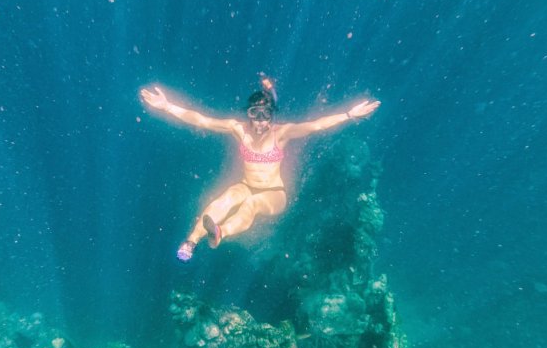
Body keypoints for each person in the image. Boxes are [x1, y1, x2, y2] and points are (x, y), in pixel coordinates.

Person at [140, 75, 380, 262]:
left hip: (274, 193)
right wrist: (166, 106)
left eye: (266, 115)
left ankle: (221, 232)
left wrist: (349, 115)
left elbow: (316, 125)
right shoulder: (238, 129)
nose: (260, 122)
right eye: (255, 114)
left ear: (272, 116)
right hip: (246, 185)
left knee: (251, 205)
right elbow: (201, 119)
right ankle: (191, 242)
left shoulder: (281, 133)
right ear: (248, 114)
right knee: (225, 198)